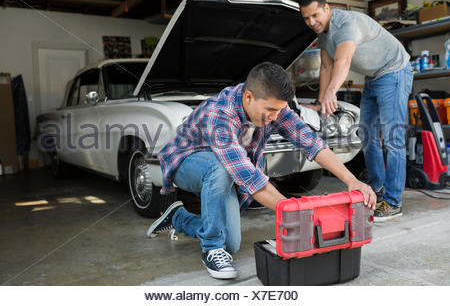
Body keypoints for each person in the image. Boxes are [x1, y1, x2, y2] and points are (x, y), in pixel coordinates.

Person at [147, 62, 376, 279]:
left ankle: (178, 217)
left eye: (279, 110)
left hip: (224, 169)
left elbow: (311, 142)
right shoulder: (220, 114)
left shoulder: (273, 106)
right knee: (220, 171)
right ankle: (211, 249)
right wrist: (296, 213)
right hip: (186, 162)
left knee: (231, 242)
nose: (276, 117)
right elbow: (249, 179)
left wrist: (351, 179)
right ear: (248, 97)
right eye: (270, 110)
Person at [298, 0, 413, 222]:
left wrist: (332, 92)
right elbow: (326, 67)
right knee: (367, 136)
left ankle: (393, 202)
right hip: (373, 77)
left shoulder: (346, 24)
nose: (311, 22)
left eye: (315, 15)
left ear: (327, 8)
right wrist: (321, 104)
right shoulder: (323, 32)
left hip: (394, 71)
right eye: (306, 17)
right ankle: (377, 189)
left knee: (392, 138)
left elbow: (343, 61)